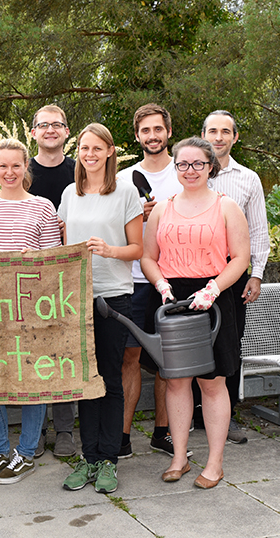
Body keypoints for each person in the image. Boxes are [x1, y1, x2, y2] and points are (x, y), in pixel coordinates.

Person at [140, 137, 250, 489]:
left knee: (213, 382)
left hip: (214, 298)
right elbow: (147, 257)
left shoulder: (226, 206)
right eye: (183, 164)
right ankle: (180, 457)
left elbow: (241, 259)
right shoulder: (163, 208)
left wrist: (214, 289)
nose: (190, 171)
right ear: (175, 167)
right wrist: (160, 284)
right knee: (175, 381)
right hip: (173, 299)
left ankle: (215, 463)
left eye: (197, 164)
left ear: (210, 167)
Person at [0, 138, 62, 485]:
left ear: (25, 168)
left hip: (33, 309)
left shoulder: (43, 207)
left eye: (16, 166)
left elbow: (55, 262)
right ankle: (0, 450)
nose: (9, 172)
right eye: (3, 166)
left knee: (33, 379)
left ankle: (27, 450)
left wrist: (32, 260)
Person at [58, 124, 143, 494]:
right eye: (83, 148)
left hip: (113, 297)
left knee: (108, 380)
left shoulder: (125, 192)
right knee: (83, 383)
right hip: (76, 299)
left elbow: (138, 249)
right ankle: (88, 457)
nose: (89, 154)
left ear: (110, 151)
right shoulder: (69, 193)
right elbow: (63, 246)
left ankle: (108, 459)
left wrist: (109, 250)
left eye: (96, 148)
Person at [116, 104, 185, 458]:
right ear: (138, 135)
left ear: (168, 132)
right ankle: (123, 437)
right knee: (130, 355)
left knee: (168, 361)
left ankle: (163, 432)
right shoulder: (124, 178)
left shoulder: (186, 172)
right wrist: (134, 217)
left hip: (174, 280)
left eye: (158, 129)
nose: (152, 136)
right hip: (131, 281)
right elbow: (110, 227)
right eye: (145, 131)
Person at [201, 110, 269, 444]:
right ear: (203, 135)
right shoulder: (188, 170)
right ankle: (194, 414)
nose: (218, 137)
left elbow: (258, 231)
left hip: (233, 272)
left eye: (225, 131)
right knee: (190, 343)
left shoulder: (248, 179)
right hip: (192, 271)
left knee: (230, 344)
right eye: (212, 131)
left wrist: (255, 275)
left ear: (235, 137)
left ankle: (228, 416)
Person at [27, 104, 78, 457]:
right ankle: (35, 429)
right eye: (43, 125)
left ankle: (63, 429)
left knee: (61, 353)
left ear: (66, 132)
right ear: (33, 132)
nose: (50, 130)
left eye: (56, 125)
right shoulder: (21, 170)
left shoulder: (80, 173)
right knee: (29, 352)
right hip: (28, 277)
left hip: (69, 275)